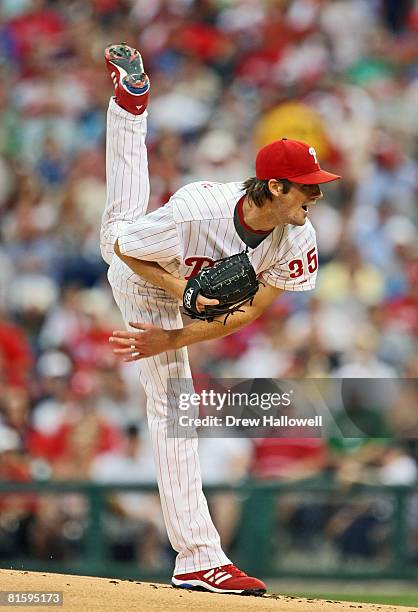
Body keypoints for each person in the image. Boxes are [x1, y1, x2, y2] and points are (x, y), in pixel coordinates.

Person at [101, 43, 340, 595]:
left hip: (165, 265)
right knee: (172, 405)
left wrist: (176, 335)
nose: (317, 193)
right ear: (275, 186)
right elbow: (122, 249)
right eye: (308, 186)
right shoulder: (198, 208)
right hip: (142, 268)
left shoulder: (295, 237)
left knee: (127, 204)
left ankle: (130, 106)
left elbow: (249, 312)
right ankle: (198, 557)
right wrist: (177, 293)